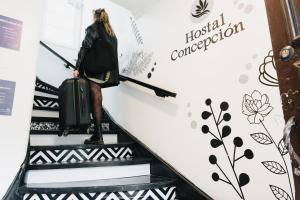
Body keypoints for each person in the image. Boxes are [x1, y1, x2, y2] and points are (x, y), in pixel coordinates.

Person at [73, 8, 118, 145]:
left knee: (92, 95)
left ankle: (97, 135)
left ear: (95, 17)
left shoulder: (93, 28)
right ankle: (97, 134)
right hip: (105, 72)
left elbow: (84, 48)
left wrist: (77, 67)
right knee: (96, 94)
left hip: (92, 70)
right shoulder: (111, 34)